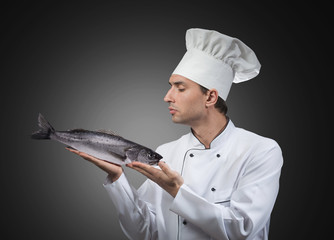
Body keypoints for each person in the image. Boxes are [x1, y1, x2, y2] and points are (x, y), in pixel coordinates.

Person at [67, 28, 283, 240]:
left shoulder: (260, 150)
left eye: (180, 88)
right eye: (170, 87)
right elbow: (143, 232)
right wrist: (118, 178)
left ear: (210, 97)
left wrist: (177, 191)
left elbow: (242, 230)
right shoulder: (166, 152)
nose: (167, 97)